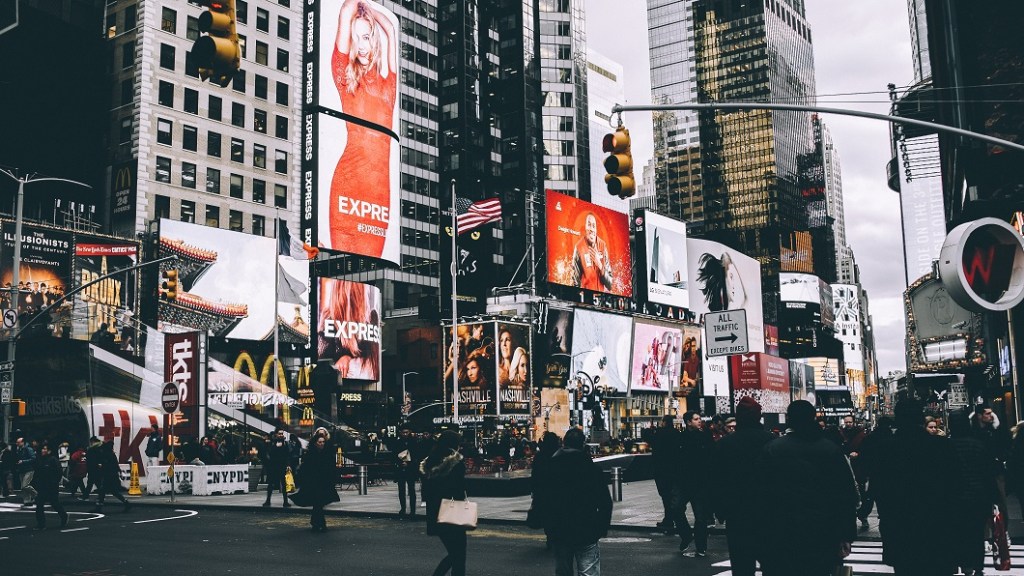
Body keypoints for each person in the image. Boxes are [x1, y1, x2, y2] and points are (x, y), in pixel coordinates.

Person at [755, 400, 858, 576]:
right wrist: (846, 534)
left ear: (790, 420)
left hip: (782, 530)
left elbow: (761, 495)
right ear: (813, 418)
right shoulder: (830, 450)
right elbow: (845, 495)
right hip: (822, 531)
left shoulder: (773, 449)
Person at [328, 0, 397, 257]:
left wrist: (368, 10)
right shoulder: (343, 77)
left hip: (378, 196)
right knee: (340, 278)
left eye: (366, 37)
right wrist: (359, 9)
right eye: (355, 39)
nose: (362, 46)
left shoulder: (389, 84)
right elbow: (346, 9)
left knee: (368, 277)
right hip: (347, 187)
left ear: (374, 40)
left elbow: (390, 28)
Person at [871, 399, 960, 575]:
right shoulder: (942, 446)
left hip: (901, 525)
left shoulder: (886, 449)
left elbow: (879, 490)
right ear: (921, 418)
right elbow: (955, 486)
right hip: (937, 524)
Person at [536, 427, 612, 576]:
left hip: (560, 530)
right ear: (583, 445)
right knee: (588, 572)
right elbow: (605, 502)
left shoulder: (551, 468)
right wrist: (601, 528)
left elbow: (543, 499)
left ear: (564, 443)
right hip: (587, 529)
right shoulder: (592, 470)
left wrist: (549, 526)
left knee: (563, 571)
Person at [713, 397, 774, 576]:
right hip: (767, 512)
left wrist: (720, 510)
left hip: (737, 512)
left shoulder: (725, 444)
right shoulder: (771, 441)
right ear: (758, 416)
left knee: (741, 566)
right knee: (770, 564)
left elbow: (717, 479)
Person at [948, 410, 998, 576]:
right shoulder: (977, 444)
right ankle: (978, 566)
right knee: (976, 533)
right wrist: (993, 497)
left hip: (955, 498)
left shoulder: (948, 446)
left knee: (958, 532)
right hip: (978, 496)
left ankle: (965, 566)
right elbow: (987, 472)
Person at [421, 430, 469, 576]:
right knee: (459, 554)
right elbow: (458, 490)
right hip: (452, 513)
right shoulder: (455, 463)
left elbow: (427, 492)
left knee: (455, 554)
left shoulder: (430, 461)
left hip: (435, 512)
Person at [676, 411, 713, 557]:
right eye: (696, 419)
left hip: (699, 482)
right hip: (684, 482)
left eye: (700, 419)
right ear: (688, 422)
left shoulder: (705, 436)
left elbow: (710, 458)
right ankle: (686, 535)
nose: (699, 421)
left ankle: (701, 546)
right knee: (676, 509)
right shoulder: (680, 438)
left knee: (700, 516)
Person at [300, 432, 340, 532]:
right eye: (320, 442)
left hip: (324, 481)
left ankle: (316, 522)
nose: (322, 444)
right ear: (315, 443)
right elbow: (306, 468)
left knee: (318, 503)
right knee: (318, 503)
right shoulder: (311, 454)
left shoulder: (327, 453)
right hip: (314, 482)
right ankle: (320, 523)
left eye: (323, 442)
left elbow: (331, 467)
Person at [528, 432, 561, 548]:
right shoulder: (559, 455)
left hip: (543, 491)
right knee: (557, 514)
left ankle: (550, 537)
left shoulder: (540, 456)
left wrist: (534, 490)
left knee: (547, 514)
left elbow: (535, 474)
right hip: (557, 491)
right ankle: (556, 536)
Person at [651, 415, 681, 532]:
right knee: (672, 494)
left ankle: (669, 519)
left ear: (663, 422)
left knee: (665, 495)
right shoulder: (676, 433)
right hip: (674, 469)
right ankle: (671, 518)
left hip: (661, 469)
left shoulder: (659, 433)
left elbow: (648, 438)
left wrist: (652, 428)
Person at [570, 213, 613, 291]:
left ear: (596, 229)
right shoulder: (579, 248)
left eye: (594, 226)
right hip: (585, 298)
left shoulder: (603, 246)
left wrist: (599, 264)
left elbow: (610, 284)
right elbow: (575, 283)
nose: (591, 229)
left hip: (601, 298)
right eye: (589, 225)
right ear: (585, 227)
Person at [31, 444, 69, 530]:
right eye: (42, 449)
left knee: (55, 503)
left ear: (49, 451)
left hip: (51, 486)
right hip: (41, 486)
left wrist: (54, 482)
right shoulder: (40, 460)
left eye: (45, 449)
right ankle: (41, 524)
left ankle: (63, 516)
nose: (43, 451)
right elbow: (37, 472)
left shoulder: (53, 460)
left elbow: (59, 472)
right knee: (39, 504)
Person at [92, 440, 131, 513]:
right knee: (113, 491)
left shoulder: (106, 454)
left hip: (108, 475)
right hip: (113, 475)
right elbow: (115, 466)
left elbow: (105, 465)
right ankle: (126, 503)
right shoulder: (112, 454)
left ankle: (99, 507)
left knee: (103, 491)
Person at [392, 424, 420, 518]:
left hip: (410, 469)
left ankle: (412, 510)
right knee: (401, 490)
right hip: (400, 469)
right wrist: (400, 462)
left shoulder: (414, 442)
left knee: (411, 490)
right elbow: (394, 455)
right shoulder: (397, 442)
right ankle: (403, 508)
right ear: (400, 433)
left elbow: (416, 456)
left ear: (410, 432)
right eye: (403, 432)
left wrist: (409, 463)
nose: (405, 434)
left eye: (407, 432)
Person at [263, 429, 292, 508]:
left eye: (282, 433)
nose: (281, 435)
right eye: (279, 434)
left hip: (282, 466)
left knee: (284, 484)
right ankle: (268, 501)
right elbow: (269, 454)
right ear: (276, 434)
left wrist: (288, 465)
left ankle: (285, 502)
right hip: (273, 466)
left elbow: (288, 455)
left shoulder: (285, 443)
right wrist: (276, 447)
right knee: (271, 484)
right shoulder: (272, 443)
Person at [14, 437, 36, 507]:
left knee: (25, 485)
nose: (17, 443)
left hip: (29, 469)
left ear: (22, 442)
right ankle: (27, 501)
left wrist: (23, 461)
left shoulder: (28, 449)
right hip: (22, 470)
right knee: (23, 487)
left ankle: (37, 495)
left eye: (18, 442)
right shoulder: (19, 449)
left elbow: (33, 458)